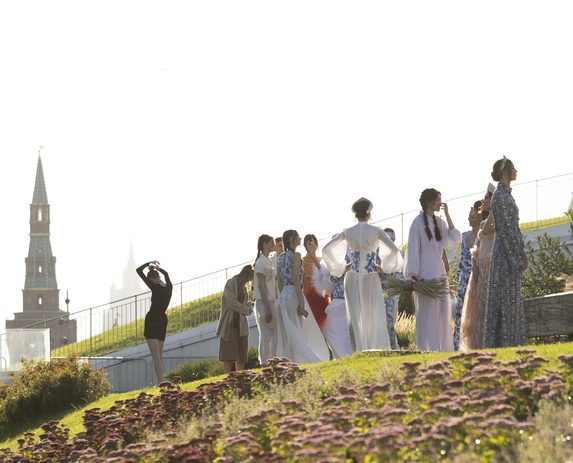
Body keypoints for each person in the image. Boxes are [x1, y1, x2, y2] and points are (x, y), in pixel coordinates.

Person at [322, 198, 403, 352]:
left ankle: (358, 348)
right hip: (370, 276)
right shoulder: (376, 231)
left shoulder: (348, 232)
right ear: (368, 213)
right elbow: (394, 249)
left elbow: (326, 249)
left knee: (354, 315)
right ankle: (371, 347)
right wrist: (384, 267)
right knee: (371, 314)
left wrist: (340, 266)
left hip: (352, 276)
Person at [404, 188, 461, 352]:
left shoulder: (440, 223)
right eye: (437, 200)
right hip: (425, 275)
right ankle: (428, 349)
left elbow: (453, 239)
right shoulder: (417, 223)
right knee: (428, 314)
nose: (439, 203)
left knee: (443, 313)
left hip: (439, 273)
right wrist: (412, 275)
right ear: (428, 202)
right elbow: (413, 251)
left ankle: (443, 349)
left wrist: (448, 214)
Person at [485, 156, 528, 348]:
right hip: (505, 256)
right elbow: (508, 230)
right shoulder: (500, 197)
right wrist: (520, 257)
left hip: (507, 253)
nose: (516, 171)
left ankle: (511, 342)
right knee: (504, 299)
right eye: (513, 168)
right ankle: (503, 344)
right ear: (504, 172)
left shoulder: (505, 195)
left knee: (510, 300)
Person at [276, 229, 330, 364]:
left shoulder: (280, 258)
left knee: (288, 333)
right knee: (297, 330)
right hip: (294, 295)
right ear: (292, 240)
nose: (300, 239)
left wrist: (283, 296)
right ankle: (298, 361)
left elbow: (279, 282)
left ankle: (289, 360)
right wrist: (301, 299)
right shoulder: (296, 255)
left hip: (283, 297)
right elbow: (296, 279)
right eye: (298, 237)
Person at [460, 183, 496, 350]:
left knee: (486, 307)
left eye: (487, 198)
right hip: (480, 270)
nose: (484, 200)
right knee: (478, 310)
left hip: (489, 267)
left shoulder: (494, 222)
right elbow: (477, 247)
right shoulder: (484, 224)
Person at [136, 260, 173, 385]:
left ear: (151, 279)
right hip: (163, 319)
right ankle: (160, 380)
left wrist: (148, 263)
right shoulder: (169, 287)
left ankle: (161, 381)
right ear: (159, 276)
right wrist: (158, 268)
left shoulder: (155, 287)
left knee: (155, 355)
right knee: (159, 355)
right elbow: (166, 274)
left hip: (152, 319)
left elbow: (138, 271)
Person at [452, 200, 483, 350]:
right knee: (460, 314)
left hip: (477, 279)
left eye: (473, 216)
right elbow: (461, 262)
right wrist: (456, 282)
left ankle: (474, 345)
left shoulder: (482, 235)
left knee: (474, 313)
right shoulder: (464, 236)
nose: (470, 218)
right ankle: (457, 346)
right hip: (463, 282)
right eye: (469, 215)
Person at [216, 264, 255, 373]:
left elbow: (240, 303)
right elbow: (231, 302)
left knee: (241, 354)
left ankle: (240, 377)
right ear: (246, 275)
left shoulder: (244, 287)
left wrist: (249, 305)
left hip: (241, 325)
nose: (250, 281)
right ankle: (227, 377)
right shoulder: (231, 283)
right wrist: (246, 310)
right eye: (250, 278)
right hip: (230, 324)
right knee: (227, 355)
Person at [323, 240, 353, 359]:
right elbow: (333, 279)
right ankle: (344, 356)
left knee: (338, 333)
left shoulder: (346, 256)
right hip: (342, 298)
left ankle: (345, 356)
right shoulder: (337, 258)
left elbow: (333, 278)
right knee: (337, 333)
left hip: (343, 299)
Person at [253, 234, 279, 365]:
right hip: (263, 302)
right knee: (265, 335)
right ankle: (265, 362)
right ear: (264, 244)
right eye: (271, 243)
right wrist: (267, 308)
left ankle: (274, 360)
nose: (273, 245)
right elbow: (261, 286)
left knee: (275, 333)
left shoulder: (269, 261)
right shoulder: (260, 262)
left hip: (271, 300)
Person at [376, 227, 403, 350]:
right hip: (376, 292)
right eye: (387, 239)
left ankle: (393, 349)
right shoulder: (374, 253)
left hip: (391, 294)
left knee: (390, 324)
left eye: (392, 240)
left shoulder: (397, 253)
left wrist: (384, 269)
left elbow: (400, 276)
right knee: (377, 324)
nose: (390, 242)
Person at [302, 234, 331, 333]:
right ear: (305, 245)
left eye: (314, 242)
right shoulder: (302, 261)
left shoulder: (321, 260)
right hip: (308, 296)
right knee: (310, 324)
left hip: (320, 296)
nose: (312, 245)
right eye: (309, 243)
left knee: (323, 324)